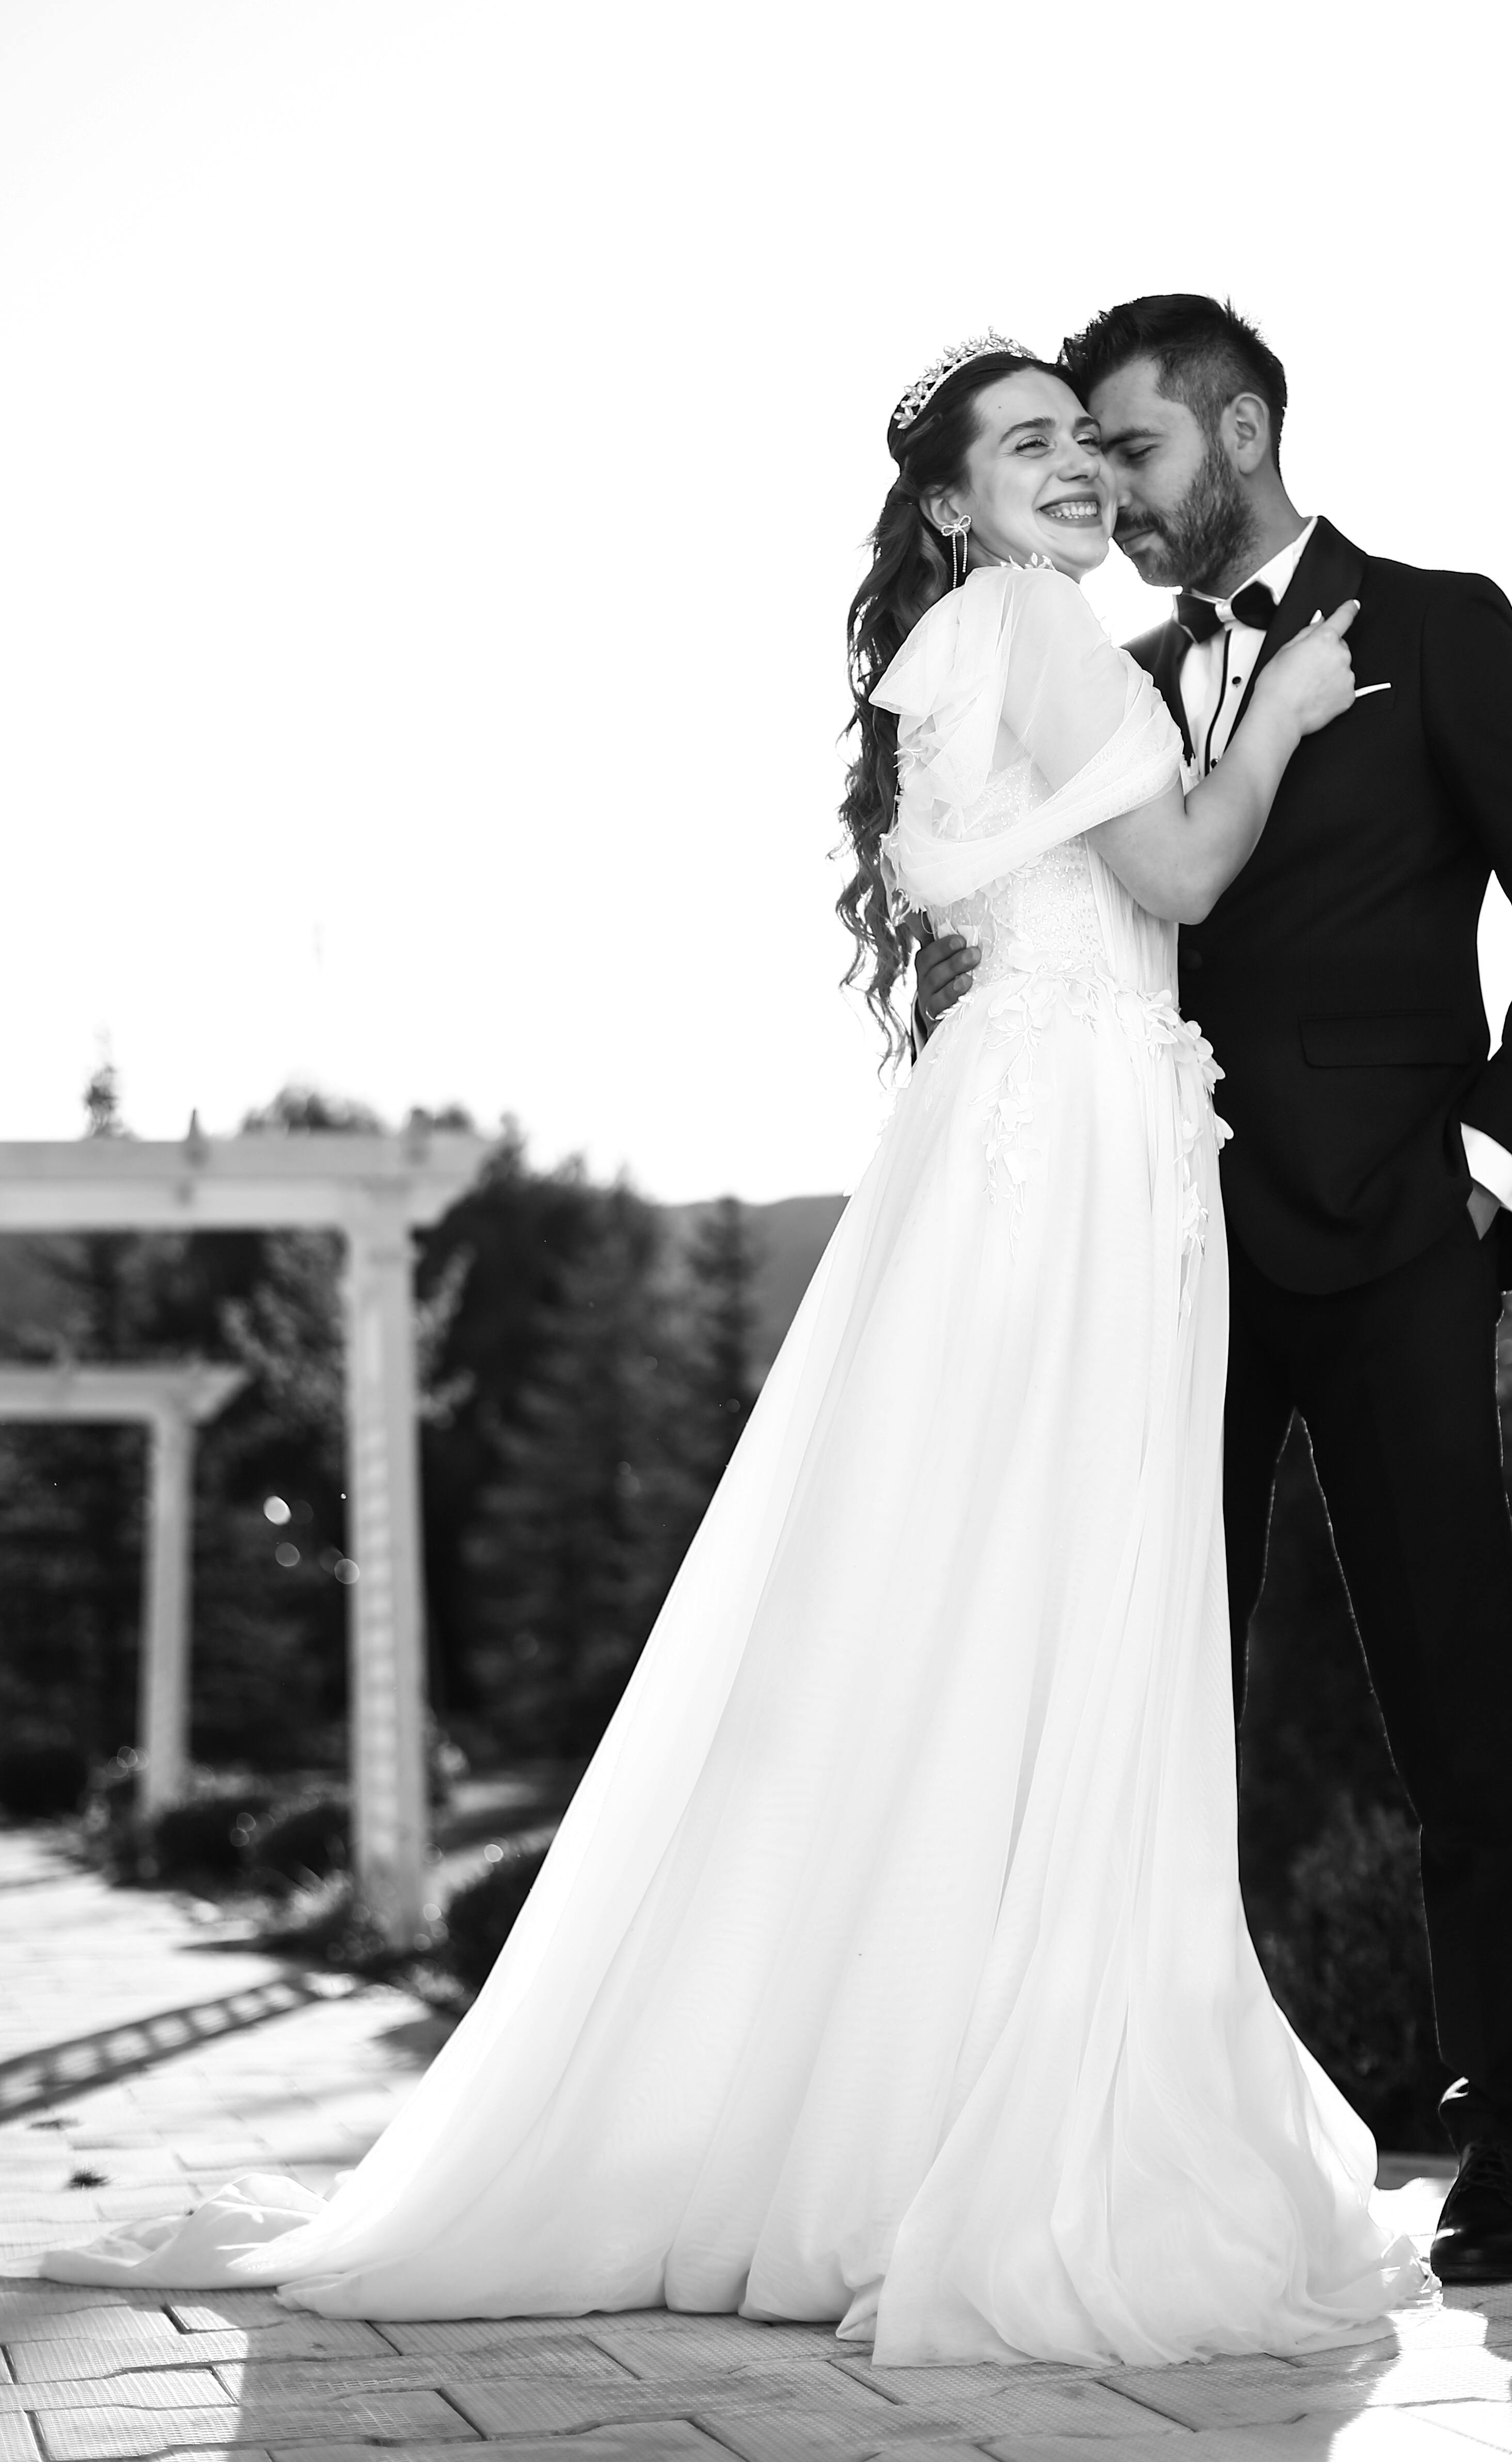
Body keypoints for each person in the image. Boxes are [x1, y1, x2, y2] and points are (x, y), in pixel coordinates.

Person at [49, 336, 1424, 2364]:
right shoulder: (1037, 623)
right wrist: (1293, 708)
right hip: (1076, 1155)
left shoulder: (972, 638)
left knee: (977, 1612)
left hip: (1029, 1137)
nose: (1068, 467)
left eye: (1078, 439)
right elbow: (1185, 873)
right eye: (1025, 443)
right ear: (957, 500)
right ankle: (989, 2122)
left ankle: (881, 2108)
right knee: (1057, 1608)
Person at [919, 296, 1512, 2286]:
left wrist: (1497, 1164)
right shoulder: (1126, 681)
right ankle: (1136, 2124)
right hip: (1168, 1258)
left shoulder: (1439, 626)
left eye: (1139, 451)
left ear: (1240, 428)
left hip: (1406, 1244)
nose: (1116, 495)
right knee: (1154, 1704)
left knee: (1457, 1692)